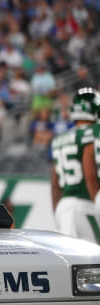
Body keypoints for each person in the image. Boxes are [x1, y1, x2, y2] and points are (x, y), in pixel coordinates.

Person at [50, 87, 100, 243]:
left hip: (64, 207)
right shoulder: (92, 133)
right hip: (85, 203)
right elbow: (90, 175)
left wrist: (57, 212)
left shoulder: (59, 138)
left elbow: (55, 185)